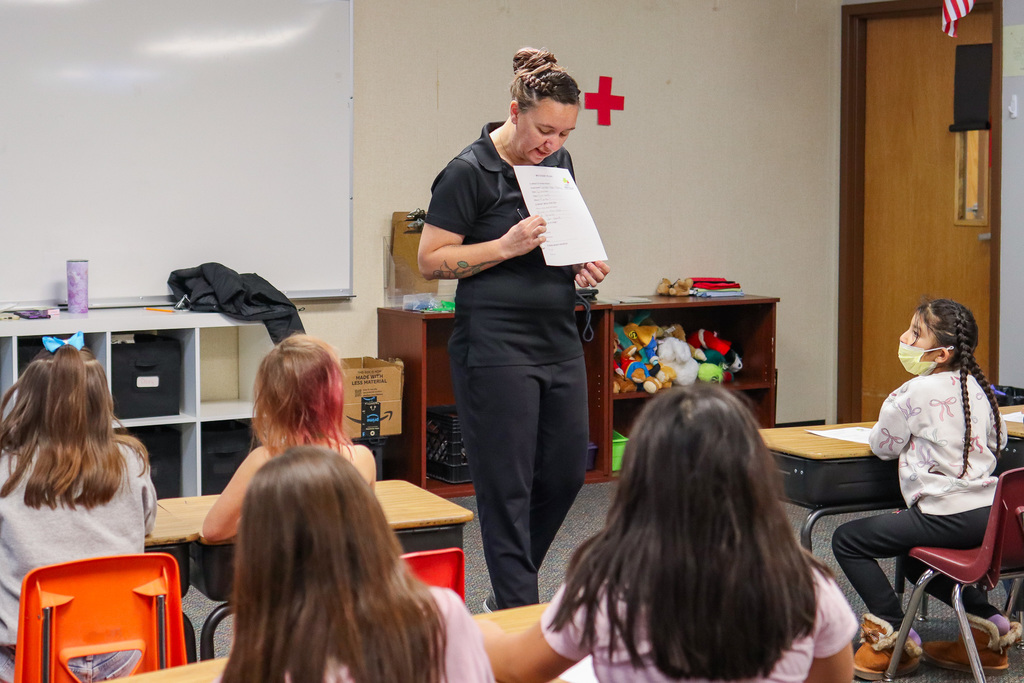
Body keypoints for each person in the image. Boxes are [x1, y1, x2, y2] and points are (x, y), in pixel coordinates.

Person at [479, 384, 858, 683]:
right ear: (755, 477)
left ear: (641, 480)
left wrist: (467, 627)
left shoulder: (607, 583)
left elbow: (517, 667)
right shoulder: (807, 586)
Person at [418, 46, 610, 611]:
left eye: (565, 134)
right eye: (544, 130)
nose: (552, 144)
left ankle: (508, 592)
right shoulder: (467, 171)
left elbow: (559, 239)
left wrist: (581, 263)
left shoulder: (558, 164)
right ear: (514, 112)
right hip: (494, 344)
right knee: (507, 490)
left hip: (557, 336)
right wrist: (503, 247)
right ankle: (519, 614)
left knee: (567, 473)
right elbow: (430, 260)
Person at [832, 298, 1022, 679]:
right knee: (916, 560)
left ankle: (893, 634)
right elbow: (999, 440)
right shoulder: (980, 390)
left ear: (941, 353)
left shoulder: (911, 393)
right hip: (990, 518)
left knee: (847, 540)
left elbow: (882, 445)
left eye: (916, 334)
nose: (905, 338)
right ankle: (990, 624)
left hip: (944, 515)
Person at [219, 444, 494, 683]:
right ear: (370, 524)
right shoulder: (442, 615)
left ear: (257, 555)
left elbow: (214, 528)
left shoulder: (259, 664)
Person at [0, 335, 157, 682]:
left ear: (27, 401)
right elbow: (147, 526)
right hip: (124, 650)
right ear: (101, 401)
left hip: (30, 657)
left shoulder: (5, 469)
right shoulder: (131, 461)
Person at [202, 334, 375, 541]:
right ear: (334, 396)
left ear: (270, 401)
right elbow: (366, 529)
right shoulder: (361, 458)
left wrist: (256, 517)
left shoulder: (265, 461)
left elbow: (213, 531)